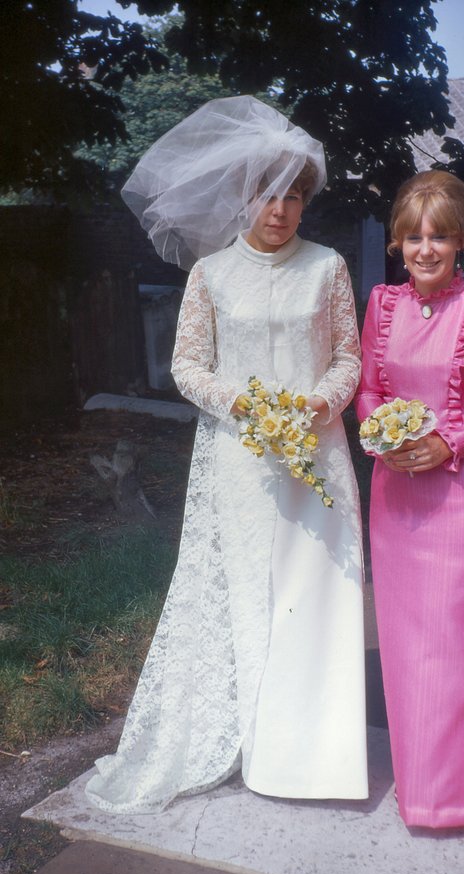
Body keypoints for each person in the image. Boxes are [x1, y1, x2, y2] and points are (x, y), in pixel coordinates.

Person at [85, 96, 368, 814]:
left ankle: (315, 757)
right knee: (248, 594)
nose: (281, 210)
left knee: (314, 598)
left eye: (295, 197)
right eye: (269, 195)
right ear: (243, 197)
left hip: (316, 457)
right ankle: (248, 739)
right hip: (239, 461)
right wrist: (244, 405)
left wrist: (316, 404)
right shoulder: (210, 274)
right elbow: (187, 368)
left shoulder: (328, 267)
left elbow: (347, 357)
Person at [354, 170, 464, 829]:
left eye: (439, 237)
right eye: (413, 237)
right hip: (396, 497)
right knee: (410, 651)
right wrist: (382, 437)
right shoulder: (382, 304)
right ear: (397, 242)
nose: (425, 250)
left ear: (460, 241)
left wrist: (446, 442)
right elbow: (368, 389)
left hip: (463, 499)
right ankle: (421, 792)